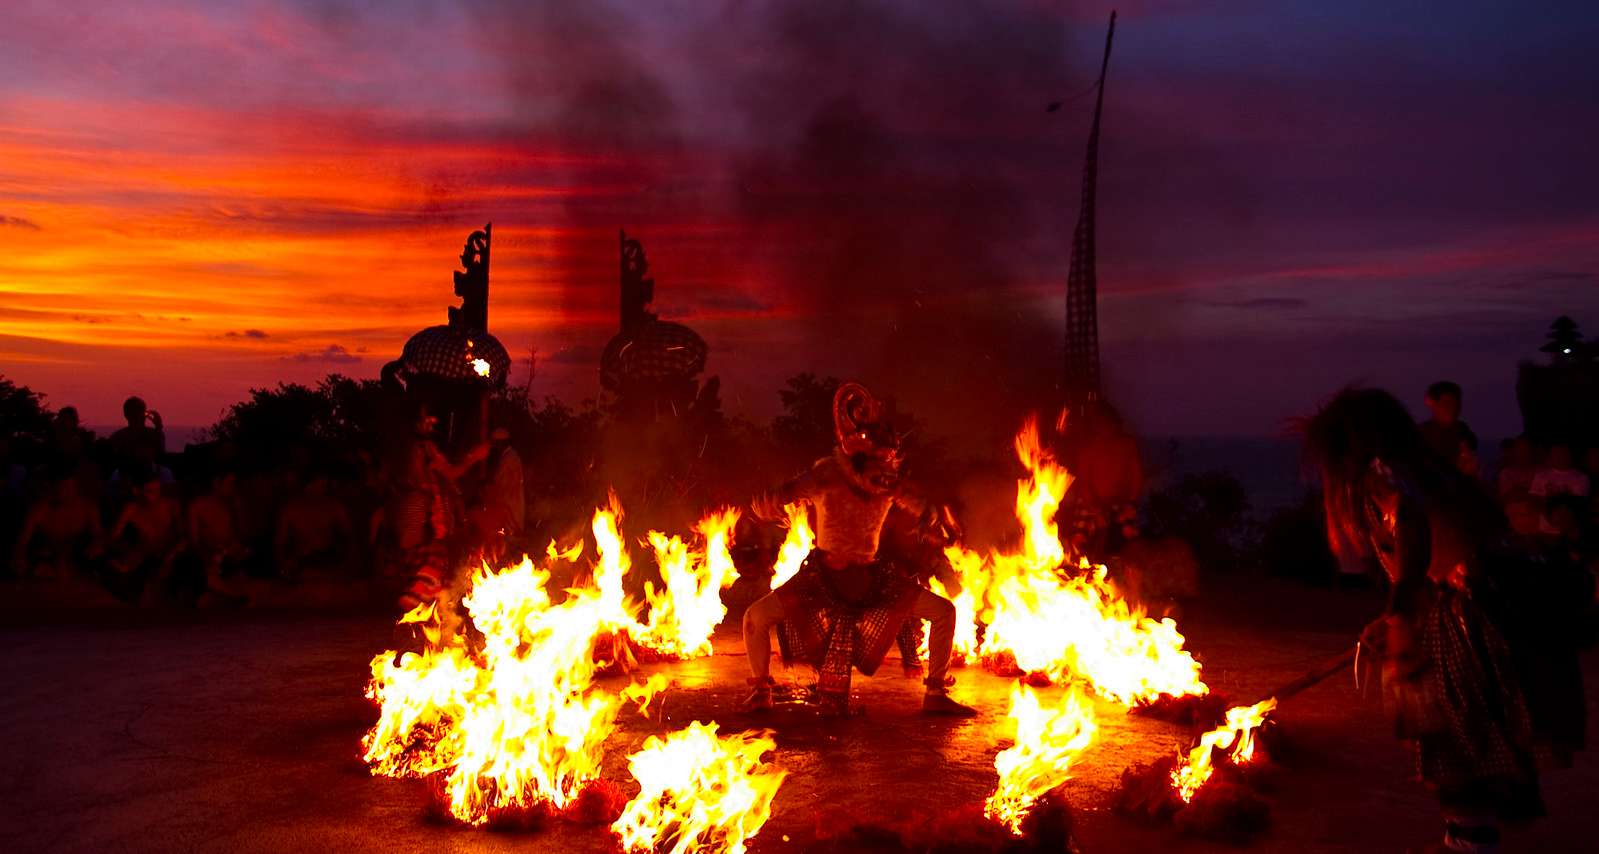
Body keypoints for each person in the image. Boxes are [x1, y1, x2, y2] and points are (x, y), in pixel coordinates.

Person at [1302, 388, 1587, 854]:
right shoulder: (1421, 466)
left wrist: (1400, 620)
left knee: (1454, 734)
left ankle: (1470, 841)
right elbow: (1438, 547)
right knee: (1469, 735)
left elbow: (1414, 531)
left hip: (1474, 612)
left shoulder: (1385, 471)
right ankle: (1469, 838)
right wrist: (1393, 612)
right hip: (1490, 602)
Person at [741, 381, 974, 717]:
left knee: (944, 612)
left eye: (890, 457)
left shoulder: (887, 484)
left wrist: (936, 519)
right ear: (861, 453)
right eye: (882, 456)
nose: (888, 463)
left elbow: (922, 505)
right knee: (754, 618)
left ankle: (935, 693)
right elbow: (784, 494)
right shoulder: (826, 475)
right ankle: (761, 691)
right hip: (821, 579)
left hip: (871, 580)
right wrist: (768, 505)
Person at [106, 467, 185, 602]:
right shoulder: (132, 509)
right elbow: (114, 536)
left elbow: (184, 537)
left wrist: (170, 557)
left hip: (173, 554)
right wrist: (127, 554)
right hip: (145, 555)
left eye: (158, 490)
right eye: (150, 491)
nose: (156, 495)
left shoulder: (171, 505)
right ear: (137, 491)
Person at [11, 470, 103, 579]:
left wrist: (97, 544)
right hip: (46, 561)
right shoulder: (40, 510)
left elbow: (98, 534)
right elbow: (22, 542)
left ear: (77, 488)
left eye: (71, 488)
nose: (67, 492)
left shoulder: (88, 508)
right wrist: (19, 556)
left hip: (78, 559)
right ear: (53, 488)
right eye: (63, 487)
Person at [186, 469, 251, 600]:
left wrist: (237, 549)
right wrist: (211, 554)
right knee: (206, 575)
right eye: (230, 483)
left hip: (232, 556)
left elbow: (243, 534)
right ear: (217, 483)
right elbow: (194, 541)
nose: (233, 487)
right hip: (209, 559)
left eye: (234, 483)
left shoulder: (234, 504)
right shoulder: (197, 506)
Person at [275, 472, 353, 579]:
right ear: (318, 482)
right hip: (326, 569)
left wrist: (286, 566)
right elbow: (348, 539)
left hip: (306, 568)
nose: (327, 485)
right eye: (324, 482)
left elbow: (279, 545)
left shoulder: (290, 507)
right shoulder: (334, 505)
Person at [1529, 444, 1589, 536]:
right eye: (1557, 453)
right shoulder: (1541, 476)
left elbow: (1579, 505)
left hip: (1571, 532)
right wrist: (1549, 517)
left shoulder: (1581, 477)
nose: (1560, 456)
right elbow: (1534, 500)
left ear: (1570, 454)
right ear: (1551, 456)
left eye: (1563, 452)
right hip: (1546, 530)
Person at [1418, 381, 1476, 472]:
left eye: (1457, 404)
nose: (1453, 409)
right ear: (1433, 404)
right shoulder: (1422, 434)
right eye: (1447, 404)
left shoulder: (1463, 431)